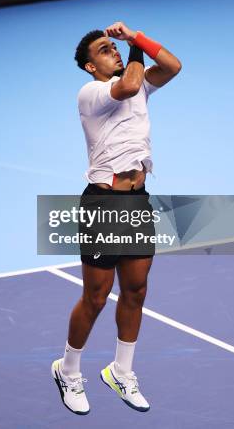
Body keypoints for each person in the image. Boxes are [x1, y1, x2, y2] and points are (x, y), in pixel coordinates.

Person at [51, 21, 182, 415]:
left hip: (137, 200)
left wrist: (136, 38)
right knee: (95, 295)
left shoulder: (139, 84)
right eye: (105, 50)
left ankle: (121, 372)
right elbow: (126, 85)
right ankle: (68, 370)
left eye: (114, 46)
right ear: (91, 67)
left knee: (136, 290)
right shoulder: (91, 92)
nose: (114, 52)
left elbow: (173, 66)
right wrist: (135, 53)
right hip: (103, 204)